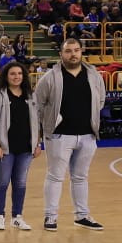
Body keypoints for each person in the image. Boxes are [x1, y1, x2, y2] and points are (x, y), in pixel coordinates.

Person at [33, 37, 106, 231]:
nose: (73, 54)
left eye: (76, 50)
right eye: (68, 51)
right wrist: (40, 133)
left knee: (81, 177)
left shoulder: (94, 75)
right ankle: (50, 217)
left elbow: (101, 101)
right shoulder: (49, 77)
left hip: (87, 135)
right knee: (55, 176)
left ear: (81, 52)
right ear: (61, 54)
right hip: (59, 135)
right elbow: (37, 106)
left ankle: (82, 216)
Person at [0, 61, 41, 231]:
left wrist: (37, 143)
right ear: (6, 76)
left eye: (19, 73)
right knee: (2, 183)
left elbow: (36, 121)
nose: (16, 76)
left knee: (20, 184)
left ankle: (17, 217)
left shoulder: (31, 95)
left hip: (26, 148)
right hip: (5, 148)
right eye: (12, 74)